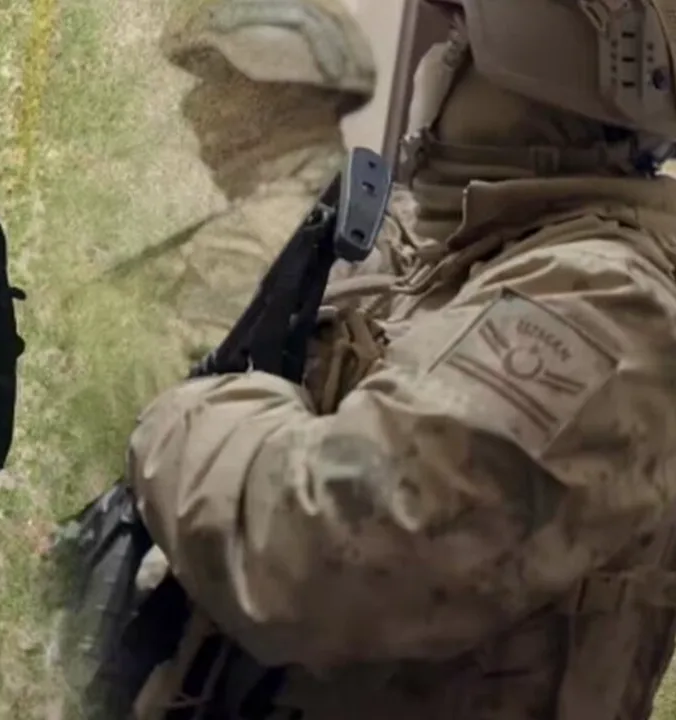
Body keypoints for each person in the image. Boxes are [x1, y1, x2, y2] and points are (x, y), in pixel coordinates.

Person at [125, 1, 676, 718]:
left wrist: (183, 413)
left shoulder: (604, 304)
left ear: (546, 68)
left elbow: (321, 554)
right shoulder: (471, 248)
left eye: (461, 41)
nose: (437, 67)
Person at [122, 0, 376, 359]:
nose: (191, 104)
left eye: (218, 79)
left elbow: (163, 386)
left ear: (284, 92)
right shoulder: (360, 206)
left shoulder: (252, 240)